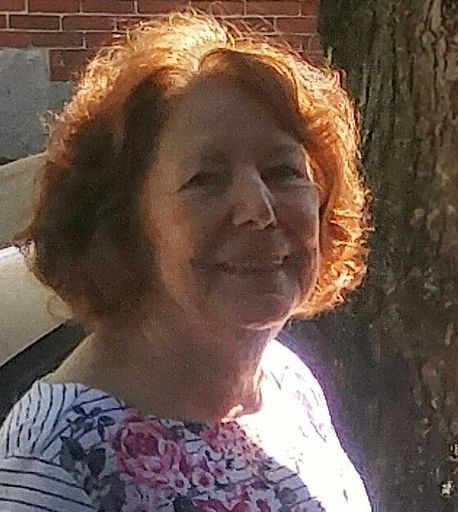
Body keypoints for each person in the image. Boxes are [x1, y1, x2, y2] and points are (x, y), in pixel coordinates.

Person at [0, 8, 372, 511]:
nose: (259, 210)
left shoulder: (286, 384)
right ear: (123, 221)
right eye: (206, 180)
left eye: (283, 171)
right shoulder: (59, 462)